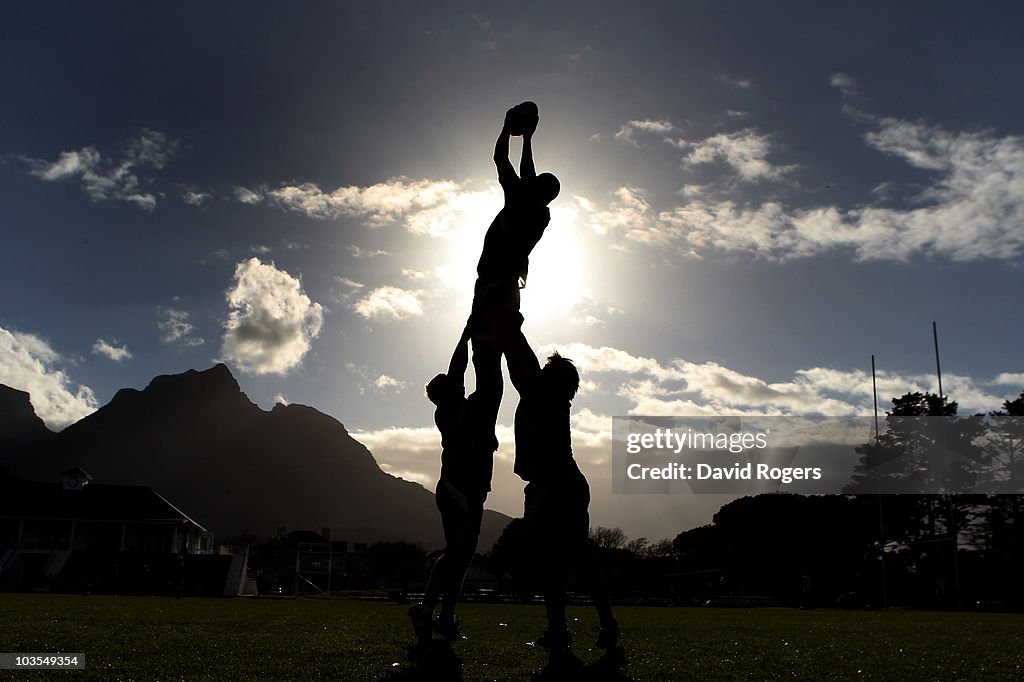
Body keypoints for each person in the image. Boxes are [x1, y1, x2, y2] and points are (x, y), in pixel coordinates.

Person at [515, 351, 619, 652]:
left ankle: (563, 631)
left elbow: (522, 367)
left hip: (555, 485)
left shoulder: (544, 401)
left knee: (558, 565)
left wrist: (515, 330)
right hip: (564, 484)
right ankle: (585, 627)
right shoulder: (555, 402)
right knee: (571, 563)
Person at [470, 102, 561, 425]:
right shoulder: (539, 212)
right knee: (505, 350)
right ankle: (532, 405)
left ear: (540, 192)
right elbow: (526, 174)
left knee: (490, 352)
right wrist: (526, 138)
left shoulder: (525, 205)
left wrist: (513, 132)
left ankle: (489, 418)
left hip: (495, 285)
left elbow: (503, 161)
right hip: (504, 287)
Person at [409, 324, 499, 645]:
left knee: (460, 557)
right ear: (440, 395)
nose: (456, 385)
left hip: (464, 488)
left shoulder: (467, 408)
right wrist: (466, 335)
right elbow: (458, 368)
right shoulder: (448, 411)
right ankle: (427, 609)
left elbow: (485, 380)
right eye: (449, 384)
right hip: (457, 489)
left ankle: (443, 616)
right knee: (459, 553)